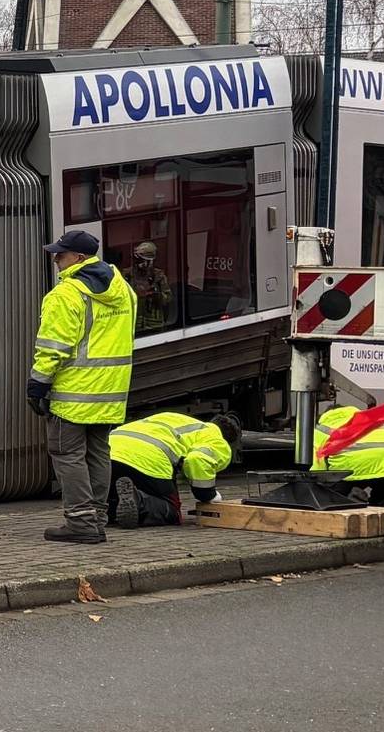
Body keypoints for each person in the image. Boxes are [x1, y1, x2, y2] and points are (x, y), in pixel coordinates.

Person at [32, 228, 136, 543]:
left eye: (60, 255)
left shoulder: (66, 295)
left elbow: (54, 346)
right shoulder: (125, 290)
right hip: (111, 392)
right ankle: (98, 518)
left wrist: (37, 384)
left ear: (77, 258)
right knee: (98, 453)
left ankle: (80, 522)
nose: (55, 260)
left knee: (67, 453)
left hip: (73, 393)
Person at [107, 410, 235, 528]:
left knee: (109, 493)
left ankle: (104, 507)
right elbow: (197, 459)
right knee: (173, 511)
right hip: (147, 459)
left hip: (108, 453)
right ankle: (138, 501)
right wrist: (208, 495)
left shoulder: (174, 418)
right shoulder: (216, 438)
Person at [312, 406, 384, 508]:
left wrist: (320, 487)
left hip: (355, 462)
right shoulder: (375, 422)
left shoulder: (322, 428)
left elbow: (317, 463)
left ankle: (350, 500)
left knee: (337, 493)